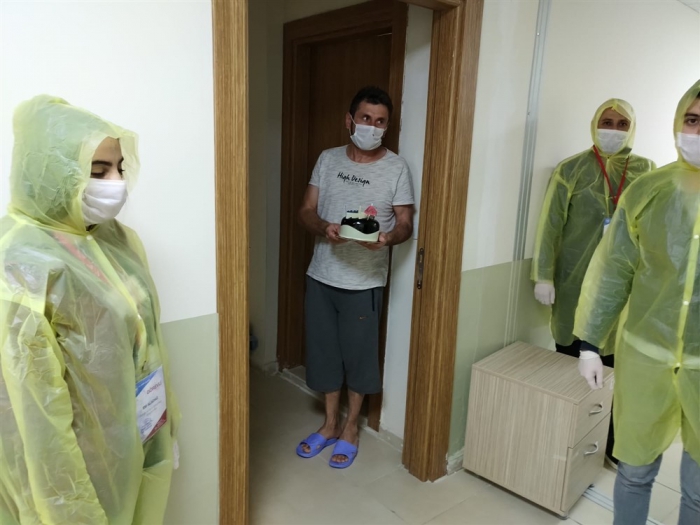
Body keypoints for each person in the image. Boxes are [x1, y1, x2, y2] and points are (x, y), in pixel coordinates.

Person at [0, 95, 180, 524]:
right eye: (98, 171)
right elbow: (36, 415)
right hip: (79, 454)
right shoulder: (19, 264)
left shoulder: (115, 238)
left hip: (132, 432)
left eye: (119, 167)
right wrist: (70, 510)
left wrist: (164, 426)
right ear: (53, 172)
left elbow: (147, 343)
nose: (116, 182)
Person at [574, 80, 700, 525]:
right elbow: (614, 269)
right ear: (679, 121)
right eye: (693, 120)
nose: (698, 132)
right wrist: (590, 342)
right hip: (645, 355)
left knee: (699, 489)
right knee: (634, 473)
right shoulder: (649, 190)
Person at [531, 99, 656, 467]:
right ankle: (565, 442)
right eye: (607, 121)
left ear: (632, 128)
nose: (613, 130)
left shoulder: (647, 171)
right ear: (594, 124)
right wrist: (544, 275)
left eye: (621, 123)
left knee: (615, 370)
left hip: (622, 288)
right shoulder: (571, 169)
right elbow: (550, 226)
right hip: (572, 284)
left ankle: (611, 443)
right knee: (571, 363)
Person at [296, 86, 414, 468]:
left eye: (380, 122)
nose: (372, 127)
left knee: (359, 358)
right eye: (366, 118)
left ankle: (351, 428)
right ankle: (330, 423)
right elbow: (306, 210)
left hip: (364, 282)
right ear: (350, 120)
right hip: (322, 274)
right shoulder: (328, 159)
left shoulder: (396, 168)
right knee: (325, 354)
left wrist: (387, 238)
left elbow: (406, 223)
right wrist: (324, 227)